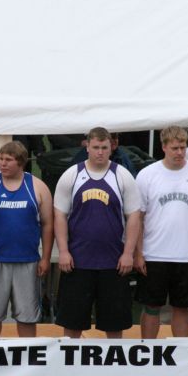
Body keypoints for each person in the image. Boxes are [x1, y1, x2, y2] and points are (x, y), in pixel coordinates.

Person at [53, 127, 141, 339]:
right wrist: (63, 251)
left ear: (112, 147)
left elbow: (134, 217)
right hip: (77, 262)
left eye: (104, 147)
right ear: (87, 147)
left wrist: (128, 253)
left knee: (114, 325)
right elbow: (59, 216)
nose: (100, 152)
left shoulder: (122, 176)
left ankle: (113, 367)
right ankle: (70, 366)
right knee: (72, 323)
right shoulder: (72, 175)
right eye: (96, 147)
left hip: (113, 263)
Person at [134, 126, 188, 338]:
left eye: (183, 147)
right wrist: (138, 253)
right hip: (154, 253)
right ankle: (147, 351)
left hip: (187, 255)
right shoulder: (147, 176)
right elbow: (138, 218)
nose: (180, 152)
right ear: (164, 147)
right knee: (151, 307)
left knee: (182, 307)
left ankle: (181, 352)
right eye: (175, 148)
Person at [0, 141, 53, 337]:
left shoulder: (38, 187)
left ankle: (27, 360)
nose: (3, 163)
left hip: (27, 260)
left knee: (27, 316)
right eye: (1, 159)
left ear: (21, 162)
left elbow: (48, 224)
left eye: (8, 160)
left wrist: (45, 258)